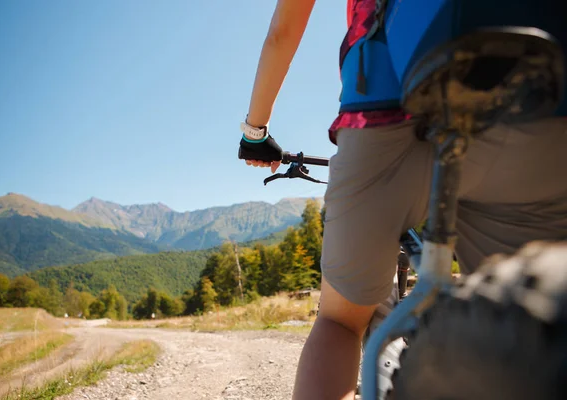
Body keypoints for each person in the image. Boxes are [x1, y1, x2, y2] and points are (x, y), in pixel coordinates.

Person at [237, 1, 567, 399]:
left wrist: (254, 133)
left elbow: (282, 33)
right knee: (538, 317)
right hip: (530, 90)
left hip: (380, 105)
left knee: (339, 322)